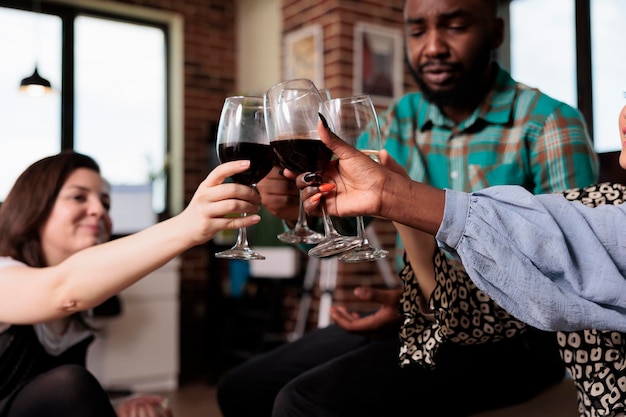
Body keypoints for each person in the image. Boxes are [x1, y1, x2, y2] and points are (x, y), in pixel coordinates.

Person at [216, 0, 599, 416]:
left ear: (496, 34)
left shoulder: (549, 124)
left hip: (521, 337)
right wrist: (300, 214)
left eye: (454, 26)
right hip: (424, 311)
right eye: (417, 31)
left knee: (303, 402)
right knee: (242, 387)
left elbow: (578, 276)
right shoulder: (403, 117)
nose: (432, 46)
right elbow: (354, 229)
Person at [300, 105, 626, 417]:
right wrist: (394, 205)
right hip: (448, 314)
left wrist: (397, 195)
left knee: (309, 399)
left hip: (525, 352)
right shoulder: (594, 202)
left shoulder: (550, 126)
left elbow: (543, 248)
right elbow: (471, 313)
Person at [0, 151, 261, 417]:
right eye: (78, 197)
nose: (99, 210)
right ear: (34, 206)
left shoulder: (82, 300)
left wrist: (115, 409)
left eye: (105, 203)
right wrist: (186, 226)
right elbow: (63, 291)